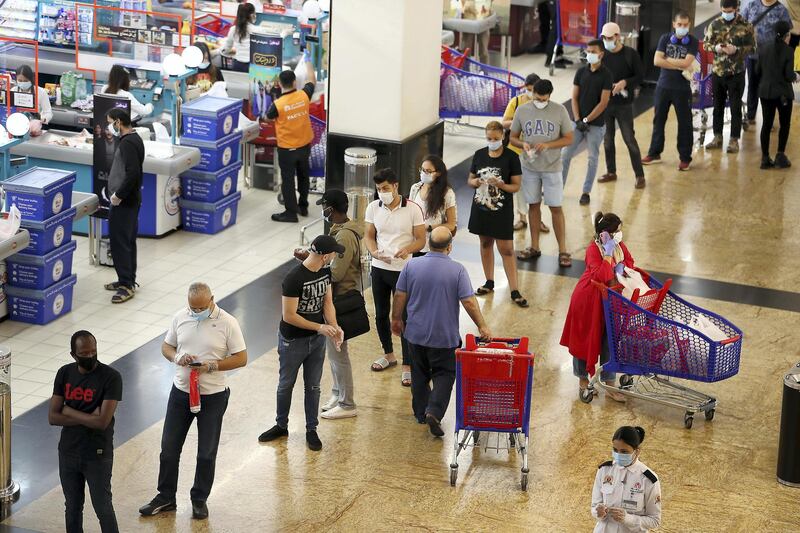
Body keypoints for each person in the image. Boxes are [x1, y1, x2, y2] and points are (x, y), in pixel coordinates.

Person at [139, 283, 247, 520]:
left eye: (200, 307)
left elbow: (241, 358)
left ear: (212, 300)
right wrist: (177, 357)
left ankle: (199, 499)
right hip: (181, 393)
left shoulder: (228, 322)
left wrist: (213, 365)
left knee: (206, 453)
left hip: (213, 396)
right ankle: (165, 496)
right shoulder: (181, 317)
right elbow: (166, 346)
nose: (196, 311)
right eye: (192, 307)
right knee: (168, 449)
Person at [391, 227, 493, 437]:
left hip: (416, 334)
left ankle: (421, 412)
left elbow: (400, 295)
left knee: (419, 373)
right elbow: (469, 302)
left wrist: (396, 319)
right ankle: (434, 412)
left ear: (429, 244)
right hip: (444, 338)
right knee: (444, 374)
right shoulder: (457, 270)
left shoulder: (412, 265)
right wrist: (482, 325)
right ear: (450, 247)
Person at [258, 235, 344, 451]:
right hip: (293, 340)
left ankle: (311, 429)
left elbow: (328, 302)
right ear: (325, 256)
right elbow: (289, 316)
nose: (335, 256)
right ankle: (281, 425)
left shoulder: (325, 272)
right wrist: (320, 327)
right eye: (333, 253)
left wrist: (333, 328)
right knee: (286, 384)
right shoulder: (293, 278)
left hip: (316, 341)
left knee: (313, 386)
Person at [294, 190, 364, 420]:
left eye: (324, 207)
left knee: (338, 352)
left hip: (341, 299)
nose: (322, 211)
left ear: (331, 209)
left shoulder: (343, 236)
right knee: (334, 353)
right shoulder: (339, 231)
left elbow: (336, 273)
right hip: (335, 298)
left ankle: (347, 403)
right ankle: (337, 392)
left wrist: (311, 262)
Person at [48, 331, 122, 533]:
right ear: (73, 355)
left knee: (103, 507)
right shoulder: (65, 373)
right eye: (84, 353)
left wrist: (69, 410)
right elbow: (53, 417)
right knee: (72, 507)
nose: (90, 356)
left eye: (93, 352)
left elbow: (102, 422)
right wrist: (90, 417)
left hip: (97, 454)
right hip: (68, 452)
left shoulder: (111, 378)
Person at [560, 212, 632, 402]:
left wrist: (621, 267)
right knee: (584, 340)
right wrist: (608, 256)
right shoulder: (594, 249)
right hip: (588, 300)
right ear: (605, 234)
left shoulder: (619, 245)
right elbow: (600, 275)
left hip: (609, 300)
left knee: (609, 340)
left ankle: (609, 384)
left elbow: (630, 262)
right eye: (616, 231)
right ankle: (583, 382)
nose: (620, 234)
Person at [364, 169, 426, 385]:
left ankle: (408, 363)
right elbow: (369, 236)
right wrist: (373, 252)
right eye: (379, 189)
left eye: (386, 189)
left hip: (404, 270)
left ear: (396, 186)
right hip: (380, 267)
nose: (382, 193)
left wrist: (407, 249)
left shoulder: (412, 209)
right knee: (381, 314)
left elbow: (420, 239)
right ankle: (388, 354)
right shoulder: (373, 207)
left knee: (404, 317)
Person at [509, 80, 574, 268]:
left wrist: (548, 145)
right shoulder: (522, 110)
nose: (540, 101)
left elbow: (569, 138)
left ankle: (563, 250)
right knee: (533, 206)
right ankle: (534, 246)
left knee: (555, 207)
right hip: (530, 167)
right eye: (537, 97)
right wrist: (523, 144)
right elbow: (513, 137)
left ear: (550, 95)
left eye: (544, 99)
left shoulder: (559, 110)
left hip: (552, 168)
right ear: (533, 93)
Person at [467, 121, 528, 308]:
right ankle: (489, 281)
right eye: (488, 139)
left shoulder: (511, 158)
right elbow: (470, 180)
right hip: (481, 208)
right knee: (485, 243)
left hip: (501, 211)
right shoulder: (479, 155)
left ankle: (514, 289)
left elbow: (516, 186)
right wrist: (477, 181)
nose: (492, 141)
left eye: (495, 138)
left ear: (502, 136)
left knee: (507, 249)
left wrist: (501, 185)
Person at [642, 11, 699, 172]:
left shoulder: (692, 41)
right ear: (674, 24)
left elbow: (688, 62)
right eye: (679, 24)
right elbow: (656, 60)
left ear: (689, 25)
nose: (682, 27)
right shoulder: (665, 38)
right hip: (663, 86)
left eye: (685, 25)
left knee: (685, 124)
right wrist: (679, 64)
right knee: (658, 121)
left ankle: (685, 158)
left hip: (682, 89)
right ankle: (654, 153)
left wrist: (667, 60)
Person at [561, 39, 612, 205]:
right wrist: (577, 119)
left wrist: (587, 119)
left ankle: (586, 191)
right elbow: (574, 97)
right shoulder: (581, 72)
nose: (589, 54)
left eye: (593, 51)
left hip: (596, 125)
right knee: (565, 155)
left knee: (592, 158)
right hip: (577, 123)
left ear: (601, 54)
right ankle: (558, 187)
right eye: (588, 51)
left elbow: (603, 103)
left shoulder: (607, 75)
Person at [267, 57, 317, 223]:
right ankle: (303, 206)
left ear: (280, 84)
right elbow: (312, 79)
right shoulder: (304, 95)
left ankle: (290, 212)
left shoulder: (278, 104)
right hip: (304, 146)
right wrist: (309, 61)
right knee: (303, 176)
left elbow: (268, 117)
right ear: (295, 82)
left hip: (287, 149)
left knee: (288, 180)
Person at [702, 0, 755, 154]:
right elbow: (706, 44)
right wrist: (715, 47)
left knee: (735, 107)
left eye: (729, 10)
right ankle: (717, 136)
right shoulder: (715, 24)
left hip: (736, 73)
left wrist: (737, 50)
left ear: (736, 9)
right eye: (724, 10)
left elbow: (753, 48)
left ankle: (734, 139)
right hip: (718, 72)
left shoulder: (746, 26)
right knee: (717, 106)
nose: (727, 13)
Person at [501, 73, 550, 234]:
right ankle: (522, 217)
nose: (529, 93)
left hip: (536, 152)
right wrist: (519, 119)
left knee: (536, 186)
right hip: (516, 151)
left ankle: (538, 219)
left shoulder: (544, 104)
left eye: (532, 90)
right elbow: (505, 122)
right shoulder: (516, 102)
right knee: (520, 186)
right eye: (527, 89)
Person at [598, 22, 646, 190]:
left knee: (629, 139)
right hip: (606, 104)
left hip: (624, 105)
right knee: (607, 140)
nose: (606, 41)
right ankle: (611, 171)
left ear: (618, 37)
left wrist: (625, 82)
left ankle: (639, 175)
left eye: (609, 38)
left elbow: (640, 76)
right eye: (604, 38)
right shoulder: (602, 54)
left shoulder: (630, 55)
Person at [104, 109, 144, 304]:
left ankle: (126, 285)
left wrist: (118, 196)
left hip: (125, 201)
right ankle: (125, 279)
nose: (109, 126)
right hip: (132, 199)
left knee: (120, 243)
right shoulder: (135, 139)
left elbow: (132, 173)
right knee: (127, 241)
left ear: (119, 122)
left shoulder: (127, 143)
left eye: (111, 122)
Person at [592, 426, 662, 532]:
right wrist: (598, 512)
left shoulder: (648, 479)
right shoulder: (604, 470)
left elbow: (654, 520)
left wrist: (627, 519)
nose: (618, 455)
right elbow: (594, 506)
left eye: (624, 452)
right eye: (615, 450)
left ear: (637, 451)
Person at [742, 0, 793, 126]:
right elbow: (741, 25)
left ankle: (768, 121)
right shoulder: (751, 5)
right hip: (753, 54)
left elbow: (787, 33)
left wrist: (783, 53)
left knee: (769, 87)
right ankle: (751, 115)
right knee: (752, 85)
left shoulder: (781, 10)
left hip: (772, 58)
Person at [757, 20, 798, 169]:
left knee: (766, 125)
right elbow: (788, 75)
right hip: (783, 94)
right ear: (787, 36)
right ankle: (780, 155)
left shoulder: (763, 49)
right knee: (784, 124)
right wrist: (796, 76)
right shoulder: (789, 51)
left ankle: (765, 158)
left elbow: (757, 71)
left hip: (766, 92)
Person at [408, 155, 457, 254]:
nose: (423, 173)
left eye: (428, 171)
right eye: (422, 169)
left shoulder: (447, 193)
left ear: (438, 173)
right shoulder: (415, 188)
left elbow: (451, 225)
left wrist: (429, 227)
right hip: (414, 243)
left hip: (434, 245)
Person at [222, 2, 258, 72]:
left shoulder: (233, 29)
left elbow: (226, 49)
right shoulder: (257, 30)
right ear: (252, 15)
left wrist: (225, 52)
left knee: (238, 82)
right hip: (252, 66)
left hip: (237, 64)